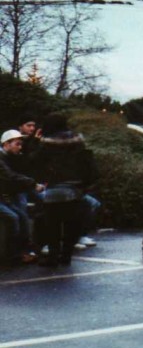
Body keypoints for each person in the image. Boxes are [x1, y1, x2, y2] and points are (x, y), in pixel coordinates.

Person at [29, 113, 97, 267]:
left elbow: (33, 160)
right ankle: (66, 255)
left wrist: (35, 141)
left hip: (55, 187)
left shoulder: (47, 143)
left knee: (52, 225)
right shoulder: (78, 140)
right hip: (75, 188)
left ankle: (53, 257)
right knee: (71, 224)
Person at [0, 130, 44, 265]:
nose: (20, 147)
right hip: (6, 194)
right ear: (6, 144)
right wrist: (32, 183)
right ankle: (11, 255)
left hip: (6, 194)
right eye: (17, 144)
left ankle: (22, 251)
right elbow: (9, 176)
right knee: (13, 217)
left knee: (21, 216)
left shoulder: (13, 156)